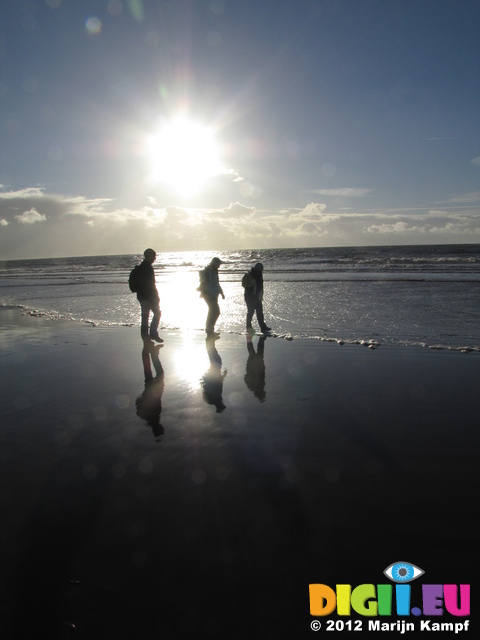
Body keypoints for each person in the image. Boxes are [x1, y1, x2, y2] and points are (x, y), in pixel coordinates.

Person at [135, 248, 163, 343]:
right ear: (150, 256)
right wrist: (156, 296)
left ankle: (146, 337)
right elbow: (151, 285)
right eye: (154, 256)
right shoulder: (147, 268)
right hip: (149, 296)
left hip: (142, 296)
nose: (154, 258)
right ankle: (152, 334)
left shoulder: (141, 267)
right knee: (157, 313)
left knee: (145, 317)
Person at [198, 257, 225, 336]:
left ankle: (210, 329)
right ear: (215, 263)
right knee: (215, 311)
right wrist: (213, 294)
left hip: (213, 294)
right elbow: (207, 285)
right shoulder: (208, 272)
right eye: (218, 263)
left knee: (213, 311)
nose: (219, 265)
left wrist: (221, 293)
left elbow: (216, 283)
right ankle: (209, 330)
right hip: (208, 294)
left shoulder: (214, 271)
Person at [242, 262, 271, 335]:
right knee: (251, 311)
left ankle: (263, 327)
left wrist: (260, 296)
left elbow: (260, 286)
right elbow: (248, 287)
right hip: (250, 296)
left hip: (257, 297)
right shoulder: (251, 275)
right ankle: (248, 327)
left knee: (259, 312)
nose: (261, 271)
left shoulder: (259, 274)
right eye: (260, 270)